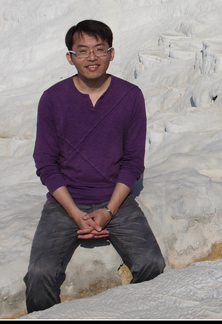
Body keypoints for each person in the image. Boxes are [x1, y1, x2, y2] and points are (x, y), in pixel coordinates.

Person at [24, 19, 165, 313]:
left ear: (111, 54)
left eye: (99, 49)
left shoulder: (129, 96)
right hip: (66, 202)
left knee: (151, 263)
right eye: (83, 50)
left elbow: (132, 162)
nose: (92, 57)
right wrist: (75, 214)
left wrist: (109, 210)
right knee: (40, 275)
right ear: (70, 57)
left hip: (116, 198)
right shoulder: (53, 99)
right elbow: (46, 164)